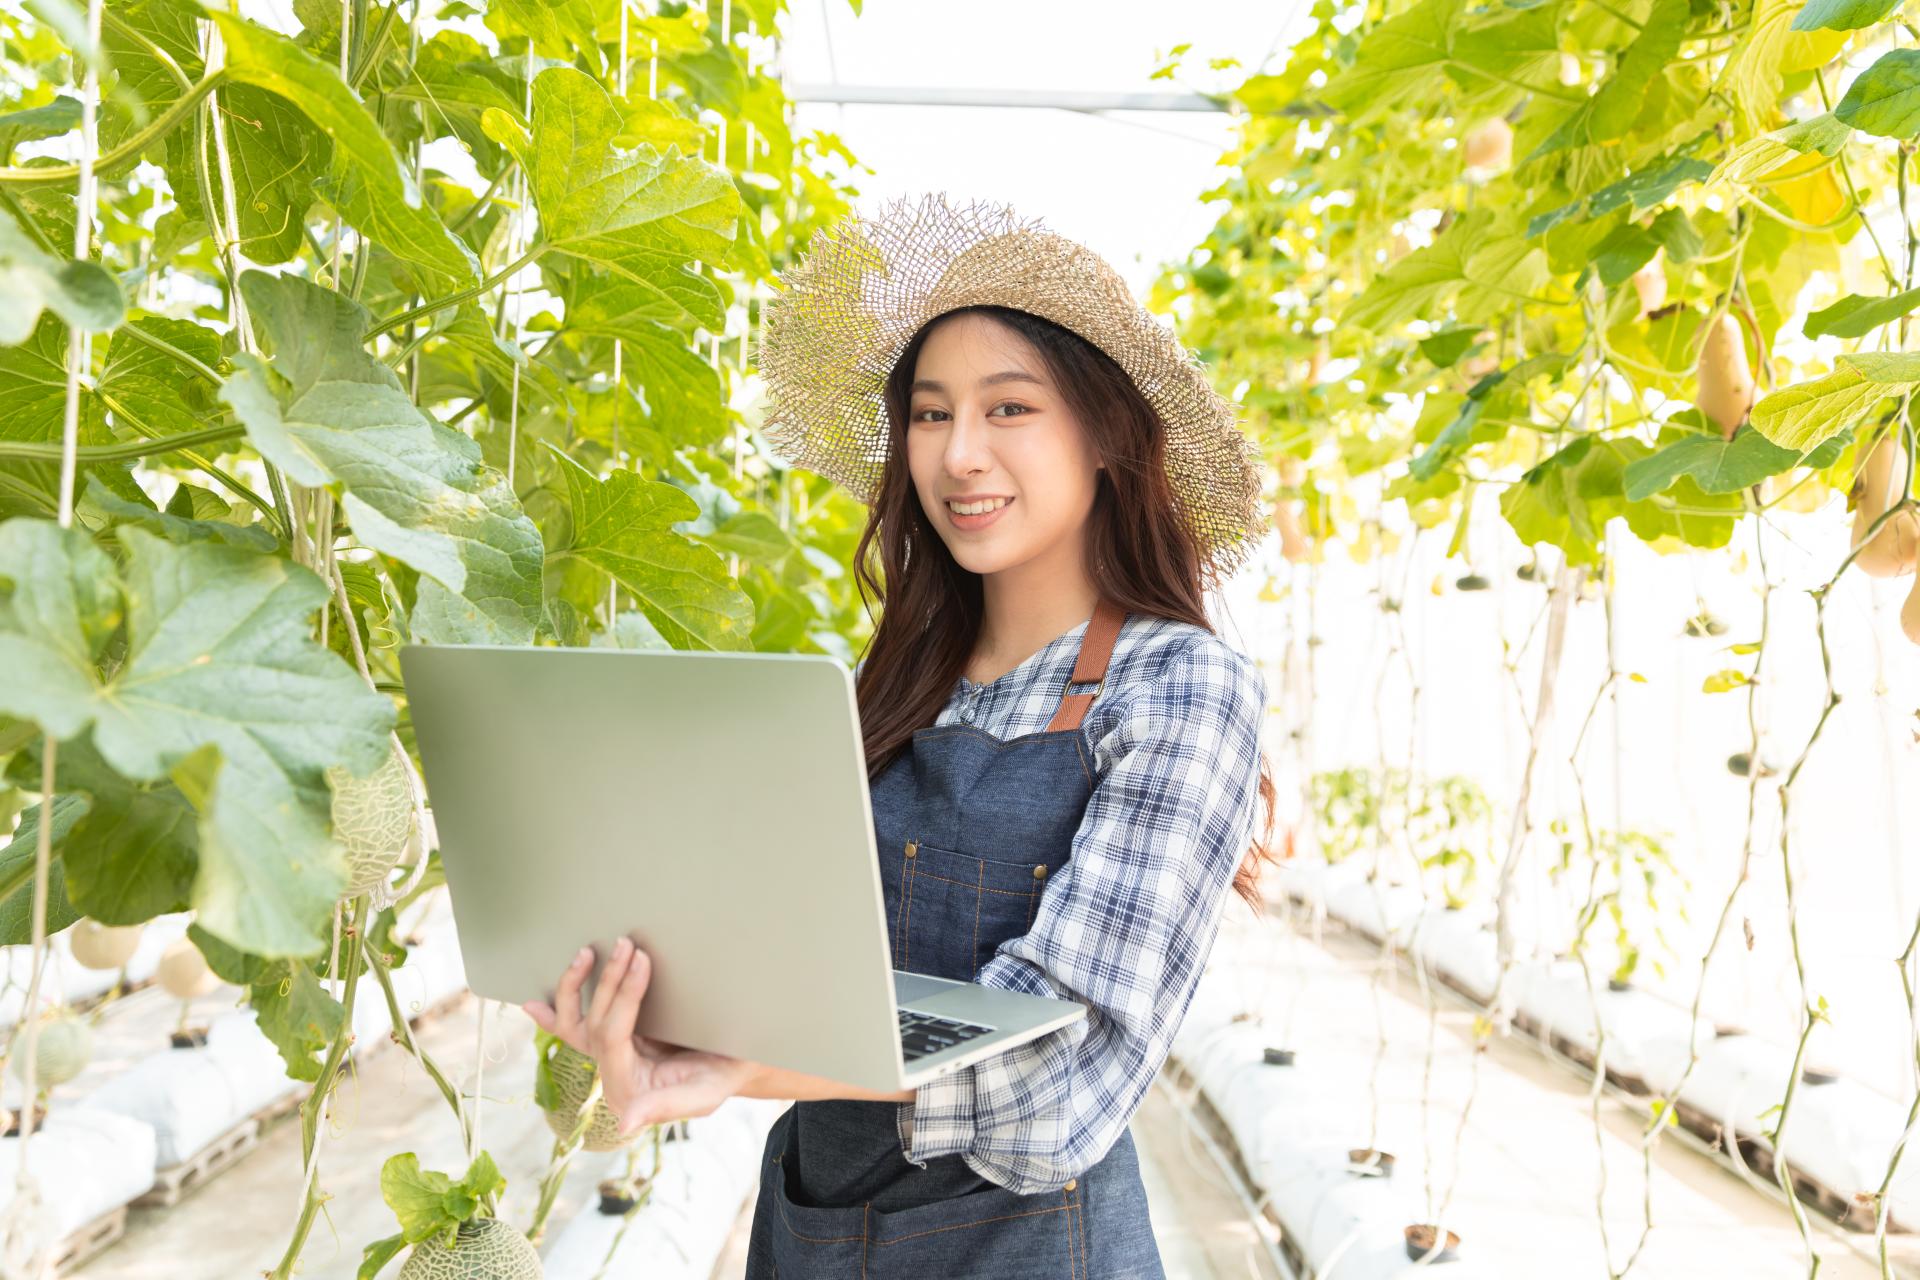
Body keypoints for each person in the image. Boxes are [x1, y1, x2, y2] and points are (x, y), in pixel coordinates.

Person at [522, 191, 1280, 1277]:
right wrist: (655, 988)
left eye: (1008, 409)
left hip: (1026, 1247)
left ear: (1108, 436)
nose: (959, 453)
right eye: (930, 414)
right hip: (816, 1221)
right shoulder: (888, 682)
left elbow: (1064, 1066)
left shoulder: (1178, 686)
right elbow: (789, 952)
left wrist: (738, 1064)